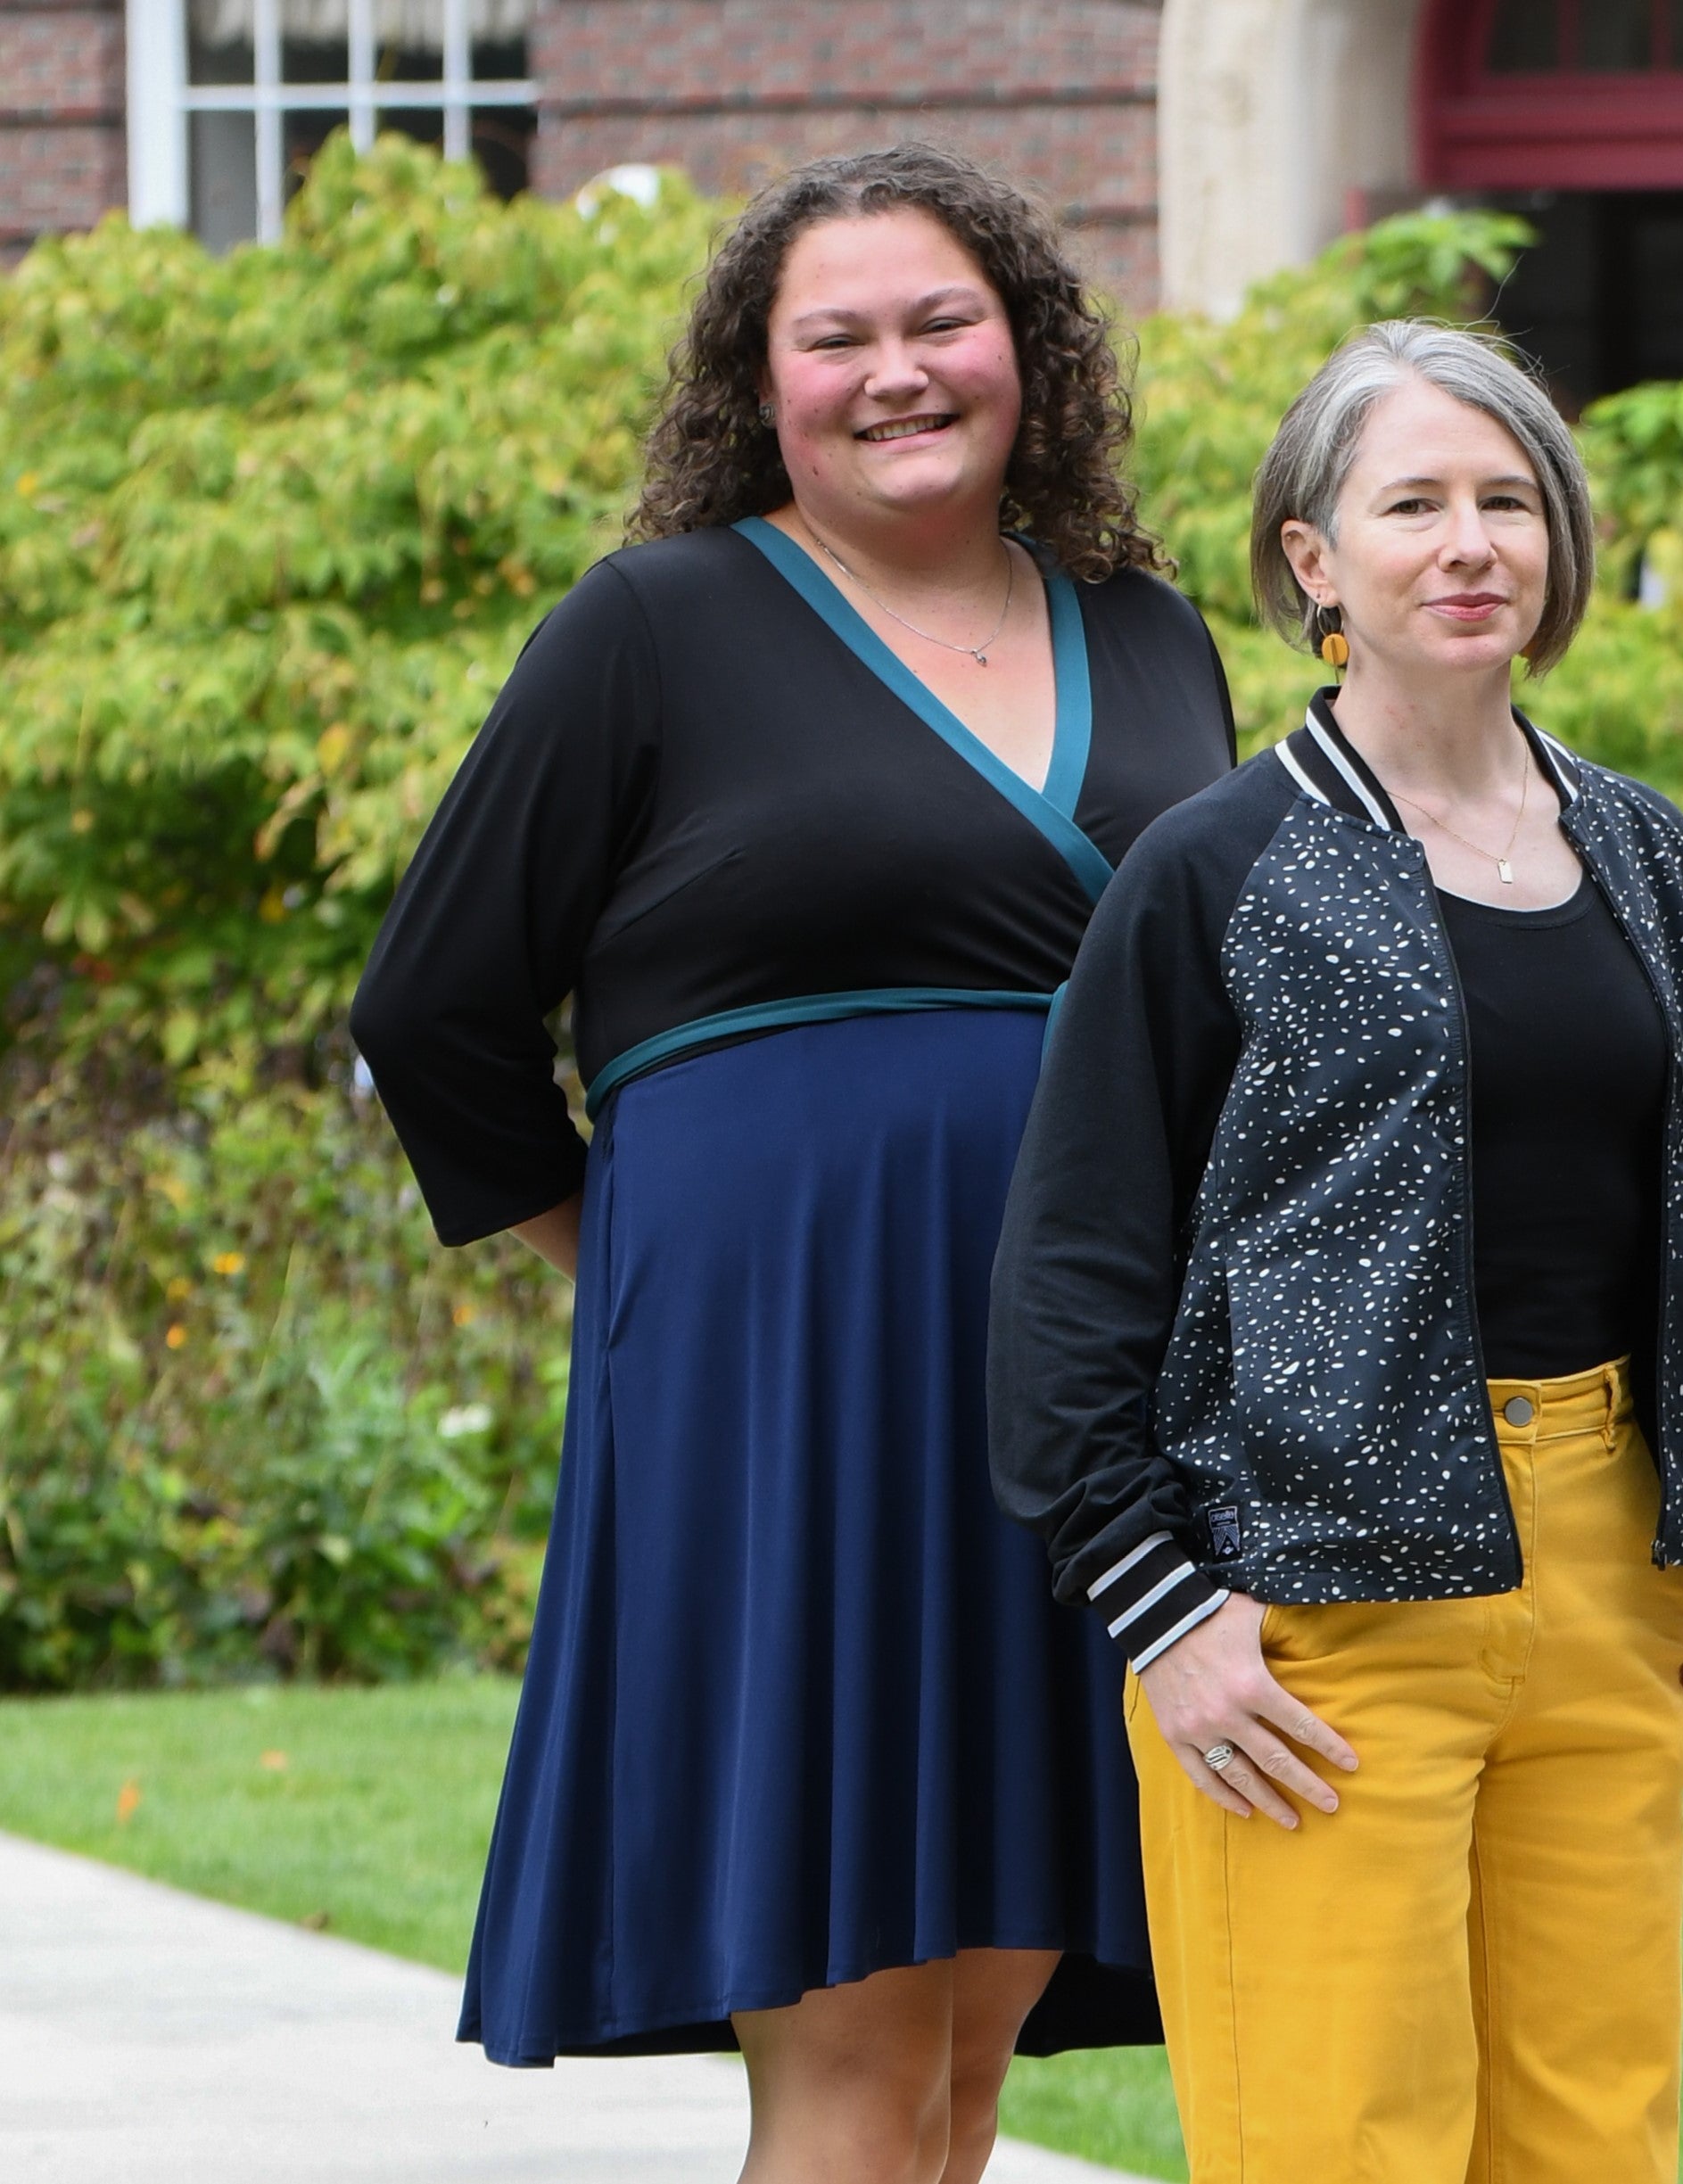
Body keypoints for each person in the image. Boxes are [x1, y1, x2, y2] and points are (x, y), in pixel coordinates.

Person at [348, 144, 1225, 2178]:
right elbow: (430, 1010)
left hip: (1077, 1397)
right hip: (784, 1390)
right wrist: (648, 1269)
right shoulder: (652, 627)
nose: (894, 373)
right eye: (834, 337)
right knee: (840, 2056)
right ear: (764, 383)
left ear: (1028, 349)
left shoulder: (1151, 630)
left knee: (968, 2054)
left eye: (941, 322)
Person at [986, 319, 1683, 2184]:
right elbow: (1074, 1268)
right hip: (1317, 1603)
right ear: (1315, 561)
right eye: (1412, 502)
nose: (1468, 541)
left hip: (1600, 1565)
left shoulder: (1634, 845)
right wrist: (1160, 1605)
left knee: (1594, 2148)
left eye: (1507, 499)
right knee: (1345, 2150)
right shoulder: (1217, 863)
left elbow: (1659, 1209)